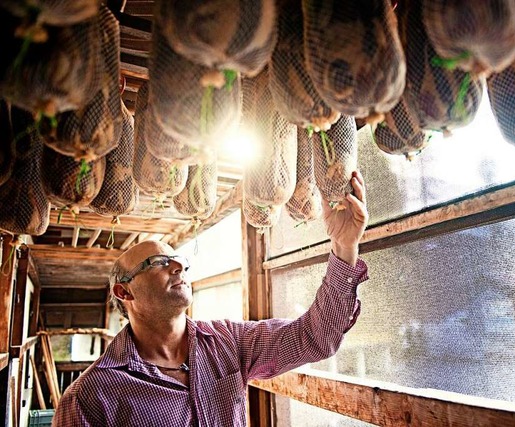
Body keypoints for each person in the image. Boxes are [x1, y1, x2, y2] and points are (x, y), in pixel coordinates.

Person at [53, 171, 369, 426]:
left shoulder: (228, 342)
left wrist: (344, 246)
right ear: (124, 292)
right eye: (159, 263)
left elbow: (314, 337)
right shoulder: (90, 398)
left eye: (179, 261)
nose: (178, 267)